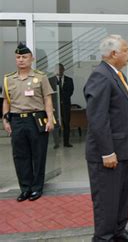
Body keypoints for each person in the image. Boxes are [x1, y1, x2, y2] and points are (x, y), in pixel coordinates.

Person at [84, 34, 128, 242]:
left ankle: (119, 231)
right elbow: (98, 119)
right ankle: (103, 237)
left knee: (121, 195)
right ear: (114, 53)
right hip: (108, 153)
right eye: (126, 50)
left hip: (122, 150)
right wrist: (107, 151)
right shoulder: (100, 75)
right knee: (107, 199)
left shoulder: (117, 74)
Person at [2, 42, 55, 202]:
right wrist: (5, 119)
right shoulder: (8, 79)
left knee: (38, 156)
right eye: (18, 57)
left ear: (32, 59)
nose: (21, 60)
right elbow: (5, 101)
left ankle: (36, 188)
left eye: (24, 57)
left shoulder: (41, 77)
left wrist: (50, 119)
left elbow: (47, 99)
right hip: (17, 120)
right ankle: (25, 188)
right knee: (20, 156)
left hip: (36, 120)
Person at [49, 63, 74, 148]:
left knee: (66, 123)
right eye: (57, 69)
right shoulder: (50, 80)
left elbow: (71, 91)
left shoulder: (69, 80)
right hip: (55, 106)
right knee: (55, 124)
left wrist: (63, 99)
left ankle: (66, 142)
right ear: (54, 70)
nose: (59, 70)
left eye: (61, 69)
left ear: (63, 70)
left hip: (66, 106)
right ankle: (56, 143)